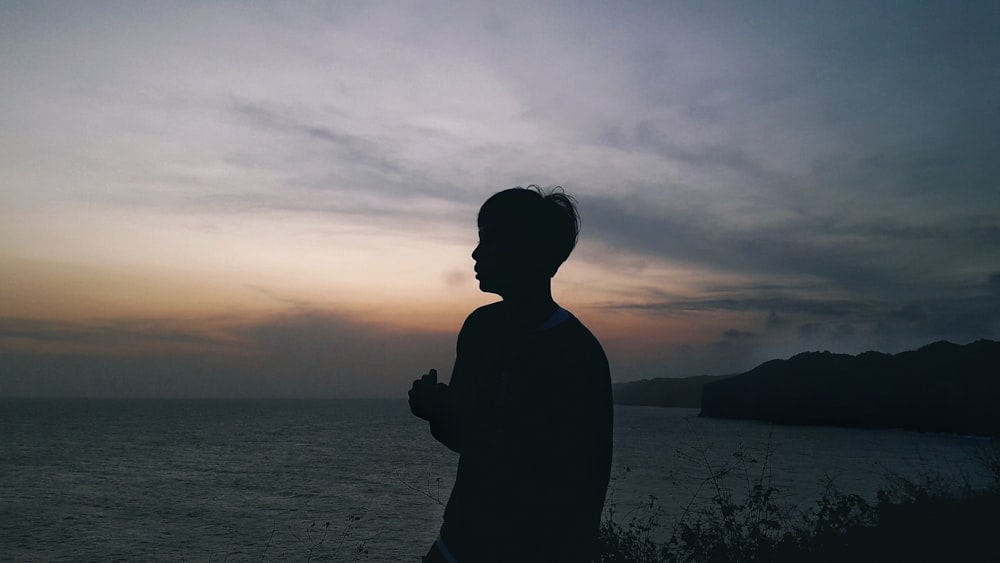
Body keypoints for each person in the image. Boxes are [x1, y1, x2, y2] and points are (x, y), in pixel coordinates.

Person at [409, 186, 613, 562]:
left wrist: (437, 408)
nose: (475, 253)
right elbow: (465, 435)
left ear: (527, 250)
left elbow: (579, 474)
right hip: (457, 545)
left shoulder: (577, 354)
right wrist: (436, 410)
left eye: (489, 240)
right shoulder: (480, 329)